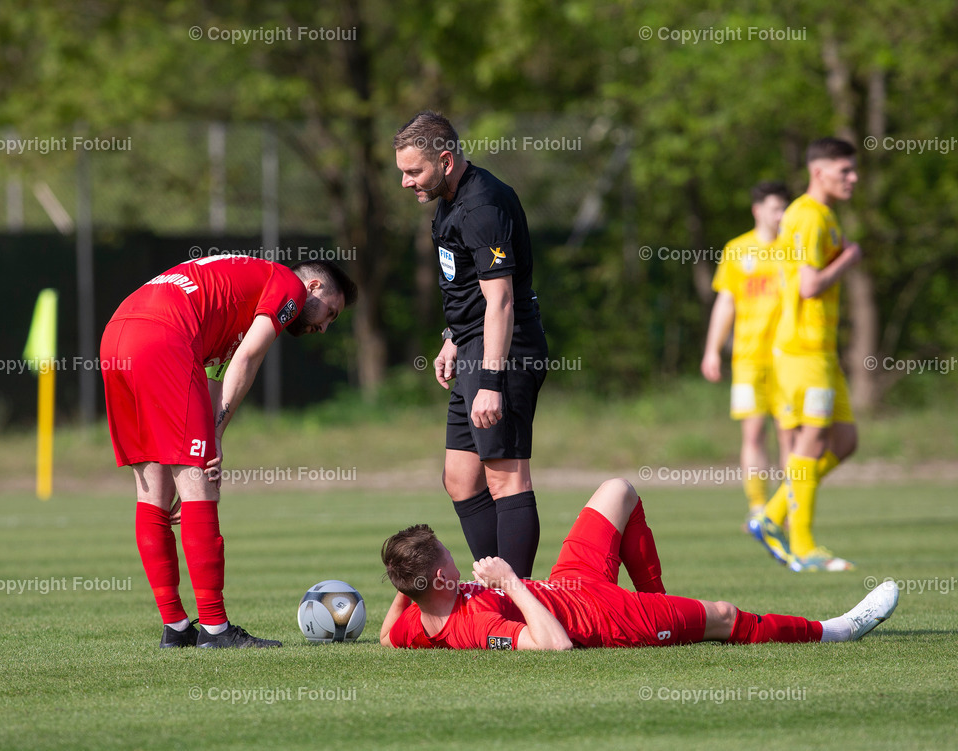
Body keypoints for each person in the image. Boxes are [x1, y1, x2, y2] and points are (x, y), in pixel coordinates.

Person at [101, 256, 357, 648]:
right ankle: (216, 629)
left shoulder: (237, 298)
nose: (323, 328)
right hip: (165, 335)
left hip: (118, 335)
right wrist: (213, 437)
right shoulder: (288, 284)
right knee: (199, 486)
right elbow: (248, 357)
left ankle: (176, 628)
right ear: (313, 287)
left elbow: (214, 381)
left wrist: (210, 433)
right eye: (330, 314)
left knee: (152, 493)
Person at [379, 478, 898, 650]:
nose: (460, 558)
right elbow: (554, 645)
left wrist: (408, 580)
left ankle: (659, 603)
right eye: (450, 557)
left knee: (617, 490)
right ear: (441, 576)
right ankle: (836, 630)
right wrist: (510, 580)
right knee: (722, 615)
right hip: (603, 615)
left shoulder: (416, 620)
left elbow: (386, 636)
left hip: (570, 582)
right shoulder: (471, 626)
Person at [393, 111, 549, 579]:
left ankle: (514, 596)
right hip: (473, 346)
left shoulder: (482, 205)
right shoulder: (449, 198)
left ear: (445, 160)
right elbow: (467, 287)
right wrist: (452, 338)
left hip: (504, 350)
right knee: (460, 479)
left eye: (414, 171)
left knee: (506, 477)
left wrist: (492, 383)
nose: (405, 182)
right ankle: (494, 587)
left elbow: (500, 300)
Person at [754, 138, 862, 572]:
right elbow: (809, 285)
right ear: (819, 172)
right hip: (801, 349)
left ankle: (772, 514)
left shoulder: (825, 215)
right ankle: (803, 545)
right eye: (844, 170)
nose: (853, 178)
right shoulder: (806, 216)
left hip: (823, 352)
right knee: (811, 442)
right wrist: (849, 257)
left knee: (845, 441)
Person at [702, 182, 794, 530]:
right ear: (758, 210)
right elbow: (726, 302)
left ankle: (786, 509)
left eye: (785, 208)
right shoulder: (737, 250)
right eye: (775, 208)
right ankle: (758, 507)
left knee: (789, 435)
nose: (781, 215)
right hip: (748, 359)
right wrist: (712, 350)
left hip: (789, 358)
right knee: (753, 434)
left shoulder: (794, 248)